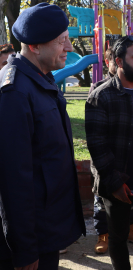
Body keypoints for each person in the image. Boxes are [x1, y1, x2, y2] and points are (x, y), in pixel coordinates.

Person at [0, 3, 86, 270]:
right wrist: (25, 250)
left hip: (47, 231)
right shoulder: (14, 92)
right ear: (35, 46)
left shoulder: (40, 78)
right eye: (62, 41)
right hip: (32, 241)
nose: (69, 48)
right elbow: (13, 180)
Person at [85, 35, 133, 269]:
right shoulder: (101, 96)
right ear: (119, 62)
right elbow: (96, 145)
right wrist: (115, 183)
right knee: (117, 239)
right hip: (117, 186)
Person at [89, 47, 133, 254]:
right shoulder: (99, 88)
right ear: (109, 63)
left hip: (130, 161)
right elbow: (95, 135)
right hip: (108, 162)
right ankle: (103, 234)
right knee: (102, 204)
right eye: (112, 61)